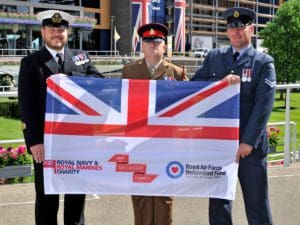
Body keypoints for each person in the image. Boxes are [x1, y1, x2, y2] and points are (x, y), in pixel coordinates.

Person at [191, 7, 276, 225]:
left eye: (241, 28)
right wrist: (218, 84)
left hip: (250, 149)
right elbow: (195, 88)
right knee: (219, 205)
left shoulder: (263, 62)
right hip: (219, 144)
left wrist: (247, 142)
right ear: (227, 32)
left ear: (251, 29)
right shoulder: (214, 57)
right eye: (231, 28)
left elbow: (263, 105)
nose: (236, 32)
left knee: (257, 204)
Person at [18, 10, 102, 225]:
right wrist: (34, 141)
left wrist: (69, 79)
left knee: (76, 196)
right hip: (47, 142)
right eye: (52, 30)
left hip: (77, 141)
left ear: (68, 32)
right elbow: (26, 105)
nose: (57, 34)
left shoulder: (80, 57)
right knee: (47, 197)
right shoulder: (31, 62)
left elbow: (99, 83)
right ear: (43, 31)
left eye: (61, 30)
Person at [122, 23, 187, 225]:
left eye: (157, 42)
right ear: (142, 46)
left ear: (164, 46)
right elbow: (122, 105)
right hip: (137, 142)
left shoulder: (177, 72)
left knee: (163, 195)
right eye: (148, 42)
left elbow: (188, 106)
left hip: (166, 143)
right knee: (140, 192)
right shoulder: (130, 71)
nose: (152, 46)